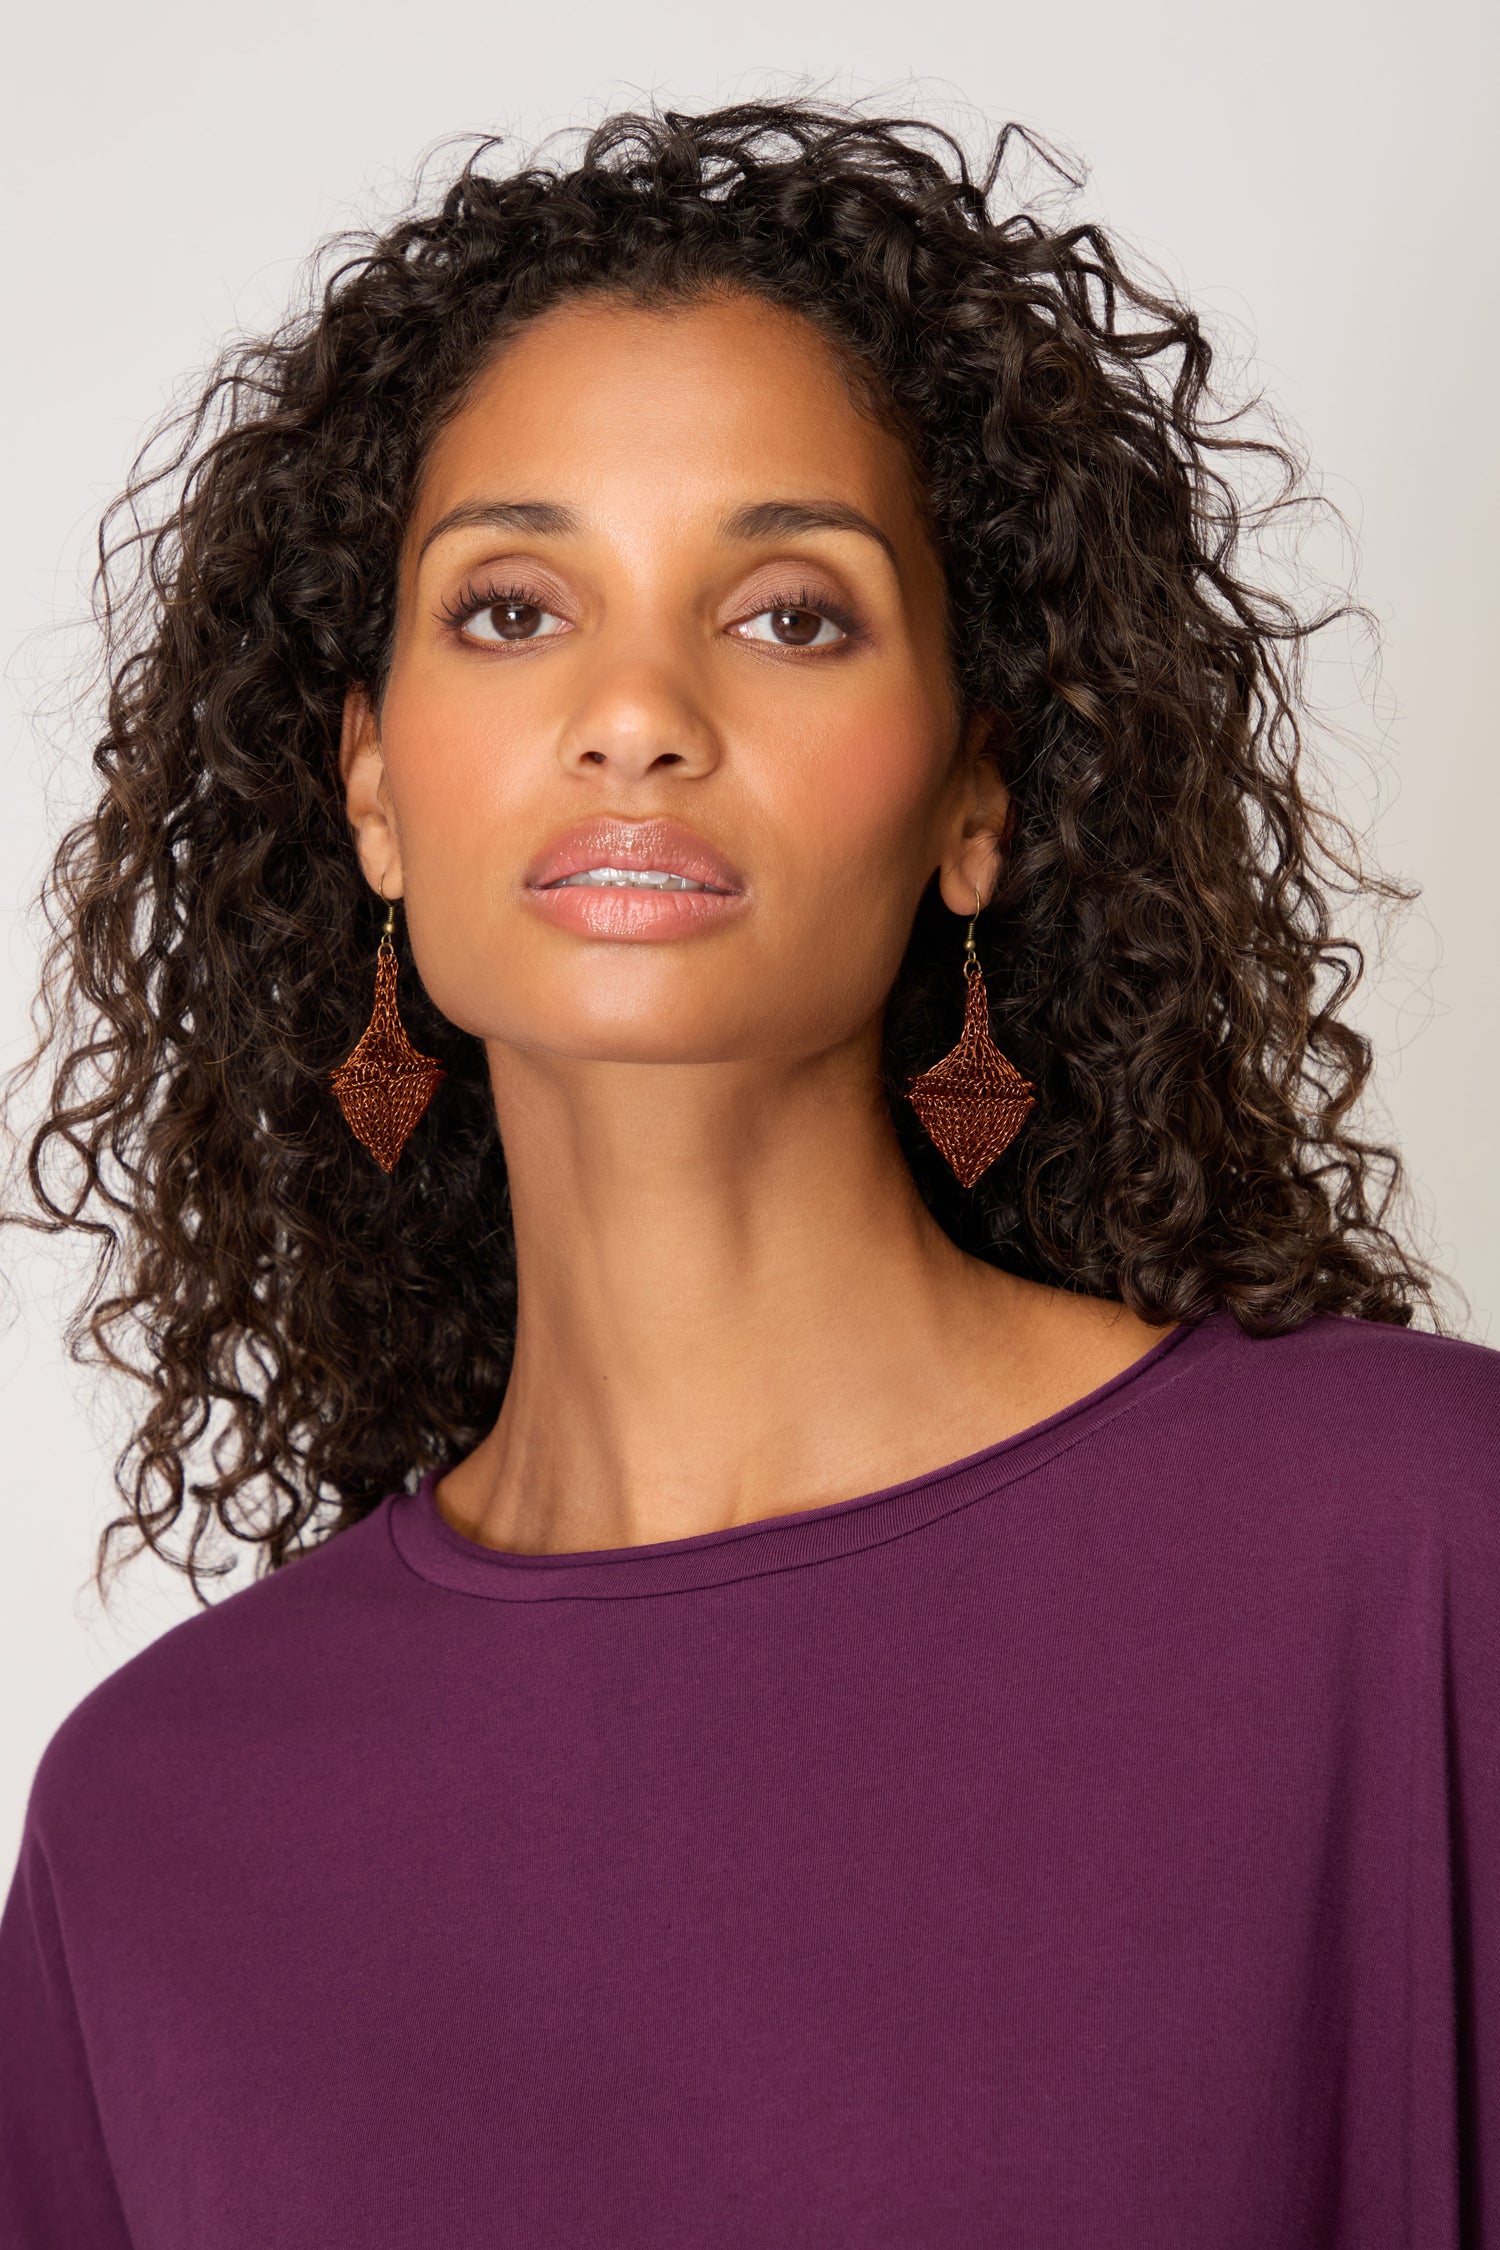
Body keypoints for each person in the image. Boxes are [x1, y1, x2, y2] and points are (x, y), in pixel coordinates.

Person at [0, 96, 1494, 2248]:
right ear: (371, 795)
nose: (635, 712)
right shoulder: (159, 1825)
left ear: (978, 795)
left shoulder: (1416, 1549)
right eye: (513, 609)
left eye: (791, 613)